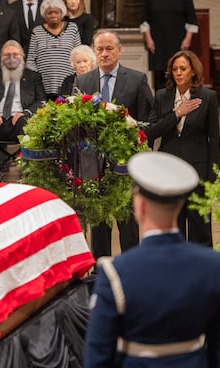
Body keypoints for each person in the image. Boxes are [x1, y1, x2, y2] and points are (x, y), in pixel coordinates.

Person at [84, 151, 220, 368]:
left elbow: (98, 356)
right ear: (180, 205)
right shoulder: (213, 266)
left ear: (140, 206)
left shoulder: (116, 272)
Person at [74, 29, 153, 258]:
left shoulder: (137, 80)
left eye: (109, 49)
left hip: (126, 165)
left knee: (127, 222)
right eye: (100, 49)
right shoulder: (83, 81)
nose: (105, 54)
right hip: (93, 165)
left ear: (119, 50)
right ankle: (101, 275)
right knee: (98, 224)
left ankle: (132, 270)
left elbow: (148, 121)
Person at [145, 50, 219, 247]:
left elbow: (214, 139)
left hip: (198, 172)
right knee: (172, 227)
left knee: (200, 228)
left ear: (193, 72)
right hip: (169, 172)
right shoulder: (162, 96)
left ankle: (201, 272)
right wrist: (176, 114)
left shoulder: (208, 97)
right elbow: (151, 132)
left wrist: (213, 177)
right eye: (175, 69)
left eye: (183, 69)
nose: (178, 73)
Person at [0, 40, 45, 183]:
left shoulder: (33, 77)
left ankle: (28, 167)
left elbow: (41, 101)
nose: (11, 58)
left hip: (20, 122)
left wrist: (26, 112)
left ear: (22, 57)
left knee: (27, 121)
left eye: (15, 54)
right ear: (1, 58)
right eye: (7, 55)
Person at [26, 0, 80, 100]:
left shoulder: (72, 28)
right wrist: (38, 79)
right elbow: (30, 60)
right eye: (49, 12)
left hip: (68, 84)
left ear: (62, 13)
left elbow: (78, 55)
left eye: (56, 12)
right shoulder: (37, 31)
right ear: (44, 15)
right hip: (43, 86)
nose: (53, 15)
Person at [141, 0, 198, 90]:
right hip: (157, 44)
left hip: (179, 43)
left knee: (179, 73)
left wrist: (187, 39)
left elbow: (192, 20)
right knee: (160, 78)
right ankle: (160, 102)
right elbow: (144, 20)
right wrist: (148, 39)